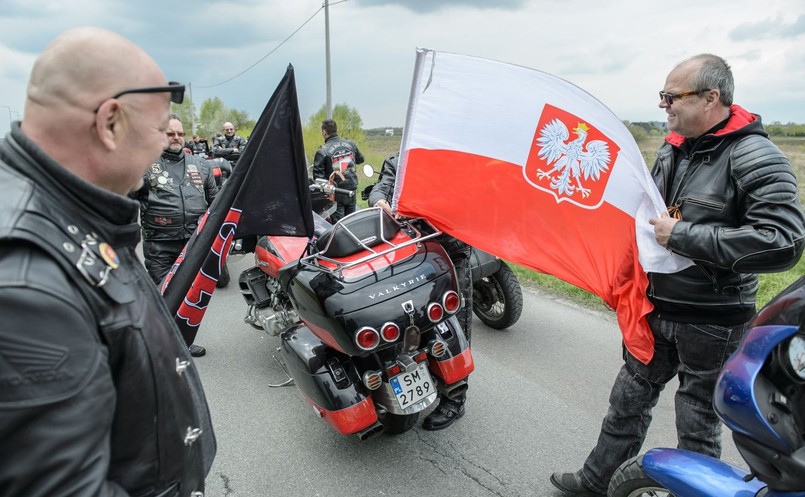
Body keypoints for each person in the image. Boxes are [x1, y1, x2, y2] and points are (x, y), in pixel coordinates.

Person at [551, 53, 805, 496]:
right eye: (662, 97)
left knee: (697, 420)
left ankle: (695, 489)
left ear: (713, 98)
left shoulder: (756, 157)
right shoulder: (672, 145)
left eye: (673, 97)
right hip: (655, 305)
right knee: (626, 401)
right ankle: (595, 482)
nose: (664, 106)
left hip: (713, 317)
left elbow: (783, 241)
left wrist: (684, 236)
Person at [0, 27, 215, 496]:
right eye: (161, 129)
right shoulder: (25, 283)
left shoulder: (71, 209)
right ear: (110, 123)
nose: (165, 145)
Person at [369, 153, 474, 430]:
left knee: (455, 322)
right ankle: (414, 371)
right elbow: (382, 186)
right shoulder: (399, 160)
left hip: (451, 252)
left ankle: (455, 399)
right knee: (412, 319)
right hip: (413, 253)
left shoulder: (451, 159)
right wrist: (379, 200)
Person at [131, 115, 223, 357]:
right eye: (171, 134)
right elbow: (127, 204)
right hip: (160, 244)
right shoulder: (144, 164)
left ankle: (181, 341)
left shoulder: (200, 165)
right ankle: (155, 343)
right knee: (163, 295)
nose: (176, 138)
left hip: (193, 244)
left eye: (180, 134)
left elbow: (216, 204)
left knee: (186, 297)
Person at [312, 119, 364, 222]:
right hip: (351, 189)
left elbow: (318, 178)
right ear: (336, 130)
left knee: (339, 225)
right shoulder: (350, 144)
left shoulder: (322, 151)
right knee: (351, 222)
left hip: (336, 192)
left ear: (324, 132)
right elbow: (360, 159)